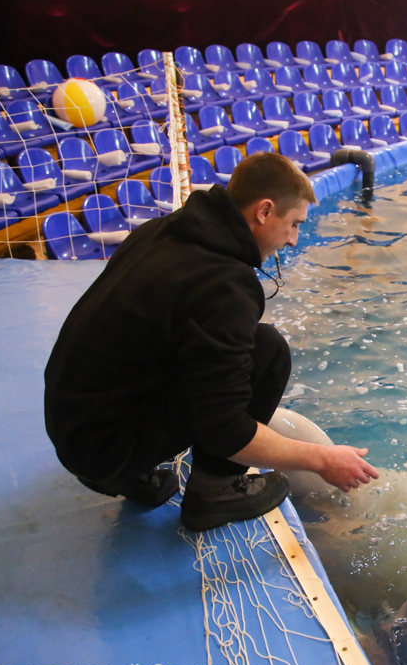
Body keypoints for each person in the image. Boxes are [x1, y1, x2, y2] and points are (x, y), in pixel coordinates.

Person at [44, 152, 378, 531]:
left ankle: (120, 471)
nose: (292, 240)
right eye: (293, 224)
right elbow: (226, 429)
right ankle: (214, 493)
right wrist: (322, 460)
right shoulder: (224, 284)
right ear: (264, 211)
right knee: (267, 351)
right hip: (101, 446)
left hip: (71, 425)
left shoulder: (162, 231)